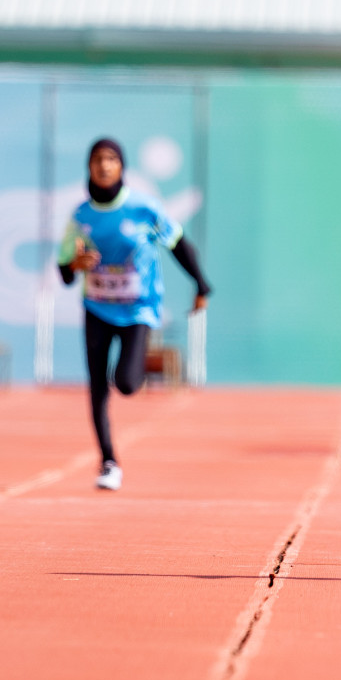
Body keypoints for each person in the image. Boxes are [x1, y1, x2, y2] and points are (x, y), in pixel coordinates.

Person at [57, 138, 212, 491]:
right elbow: (64, 272)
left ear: (121, 167)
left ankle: (130, 376)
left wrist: (201, 284)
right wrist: (74, 265)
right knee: (97, 386)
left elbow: (178, 244)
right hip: (96, 306)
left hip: (138, 308)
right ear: (89, 167)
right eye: (97, 159)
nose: (104, 165)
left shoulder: (143, 208)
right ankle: (108, 460)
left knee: (125, 383)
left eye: (111, 158)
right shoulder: (80, 216)